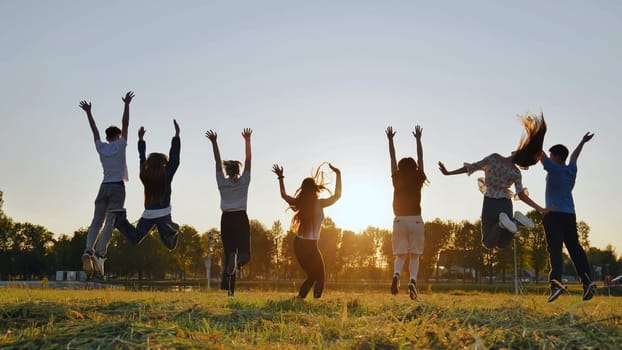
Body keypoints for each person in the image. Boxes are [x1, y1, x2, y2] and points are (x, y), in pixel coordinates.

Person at [438, 113, 550, 250]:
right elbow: (521, 195)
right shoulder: (516, 172)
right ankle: (516, 221)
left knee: (488, 242)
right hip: (506, 205)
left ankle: (506, 223)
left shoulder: (494, 159)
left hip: (491, 202)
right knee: (502, 244)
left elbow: (471, 167)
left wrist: (449, 172)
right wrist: (540, 209)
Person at [79, 91, 134, 278]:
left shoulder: (101, 147)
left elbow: (93, 130)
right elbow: (126, 123)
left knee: (96, 221)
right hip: (117, 187)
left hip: (103, 187)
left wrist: (88, 112)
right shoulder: (121, 145)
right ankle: (100, 254)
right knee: (110, 221)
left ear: (106, 136)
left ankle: (88, 250)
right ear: (118, 136)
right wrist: (127, 104)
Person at [540, 132, 597, 302]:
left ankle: (556, 285)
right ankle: (588, 283)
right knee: (575, 250)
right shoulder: (571, 170)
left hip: (553, 215)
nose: (549, 158)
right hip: (570, 215)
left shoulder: (554, 168)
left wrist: (534, 136)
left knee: (555, 251)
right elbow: (574, 156)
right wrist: (582, 142)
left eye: (551, 155)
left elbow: (539, 154)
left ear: (557, 157)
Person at [272, 162, 341, 299]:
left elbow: (284, 195)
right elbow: (337, 195)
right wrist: (338, 174)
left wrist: (281, 178)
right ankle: (313, 301)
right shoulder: (320, 203)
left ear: (303, 190)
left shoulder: (300, 203)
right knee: (319, 276)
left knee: (313, 276)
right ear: (315, 189)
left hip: (299, 244)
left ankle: (299, 299)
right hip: (309, 245)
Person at [111, 120, 181, 252]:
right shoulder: (167, 175)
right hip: (163, 215)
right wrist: (176, 136)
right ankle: (172, 228)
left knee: (135, 238)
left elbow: (141, 159)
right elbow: (175, 158)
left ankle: (120, 220)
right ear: (163, 164)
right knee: (171, 246)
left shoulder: (145, 176)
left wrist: (141, 140)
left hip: (148, 214)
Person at [205, 128, 252, 297]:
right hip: (240, 217)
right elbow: (248, 159)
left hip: (226, 220)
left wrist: (214, 142)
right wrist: (247, 140)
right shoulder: (244, 181)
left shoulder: (221, 182)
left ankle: (231, 294)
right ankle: (238, 260)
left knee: (229, 254)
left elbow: (217, 161)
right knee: (244, 255)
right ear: (238, 172)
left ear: (227, 171)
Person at [386, 125, 427, 300]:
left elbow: (392, 158)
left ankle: (396, 275)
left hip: (399, 220)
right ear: (415, 167)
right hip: (416, 220)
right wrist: (418, 139)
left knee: (401, 256)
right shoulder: (418, 176)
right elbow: (421, 158)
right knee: (415, 256)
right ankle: (412, 281)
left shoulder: (397, 177)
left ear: (401, 167)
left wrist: (390, 140)